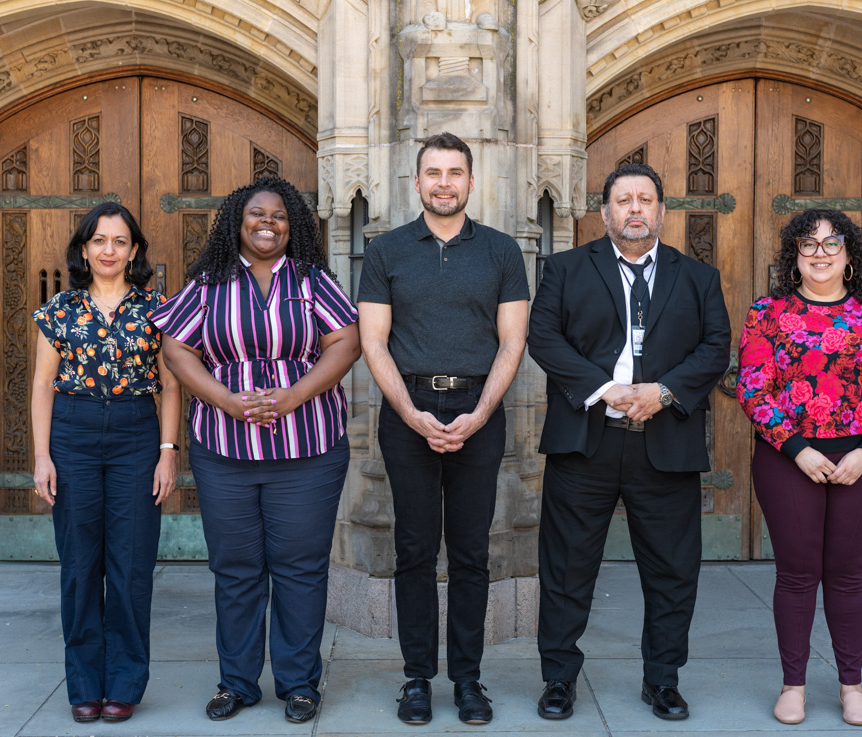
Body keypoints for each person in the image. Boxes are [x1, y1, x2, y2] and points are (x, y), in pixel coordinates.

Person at [150, 177, 360, 724]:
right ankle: (237, 682)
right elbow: (175, 349)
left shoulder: (312, 280)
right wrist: (225, 400)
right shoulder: (208, 283)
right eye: (257, 214)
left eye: (281, 216)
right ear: (236, 222)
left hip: (309, 447)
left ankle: (298, 684)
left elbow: (347, 343)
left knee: (300, 568)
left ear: (294, 226)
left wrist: (293, 395)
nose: (269, 223)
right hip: (225, 450)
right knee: (237, 567)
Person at [527, 162, 730, 723]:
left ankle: (663, 680)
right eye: (624, 200)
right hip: (585, 440)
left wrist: (662, 393)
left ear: (661, 212)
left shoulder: (698, 279)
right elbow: (542, 336)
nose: (635, 209)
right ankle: (559, 680)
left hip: (664, 444)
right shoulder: (566, 269)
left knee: (671, 571)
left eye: (645, 200)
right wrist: (604, 388)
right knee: (567, 568)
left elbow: (716, 348)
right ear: (605, 212)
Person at [356, 132, 529, 726]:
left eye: (455, 173)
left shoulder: (503, 251)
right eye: (434, 172)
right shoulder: (387, 251)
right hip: (409, 410)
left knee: (472, 551)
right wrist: (409, 412)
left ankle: (468, 679)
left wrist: (479, 414)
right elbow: (372, 341)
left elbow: (513, 341)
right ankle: (415, 679)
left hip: (480, 408)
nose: (445, 182)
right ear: (418, 183)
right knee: (413, 548)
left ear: (471, 182)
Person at [735, 209, 862, 727]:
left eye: (832, 242)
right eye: (808, 244)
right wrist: (797, 449)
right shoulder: (766, 313)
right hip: (788, 459)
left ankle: (850, 686)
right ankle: (793, 686)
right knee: (795, 575)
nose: (820, 252)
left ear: (849, 255)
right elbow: (751, 387)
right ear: (794, 256)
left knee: (847, 577)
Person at [31, 202, 181, 724]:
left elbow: (170, 385)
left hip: (137, 436)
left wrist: (166, 453)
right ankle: (84, 686)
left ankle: (123, 684)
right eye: (99, 240)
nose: (109, 250)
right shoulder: (59, 310)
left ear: (134, 250)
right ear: (84, 249)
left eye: (119, 241)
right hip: (72, 432)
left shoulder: (157, 308)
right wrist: (42, 456)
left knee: (131, 567)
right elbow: (42, 388)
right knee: (78, 568)